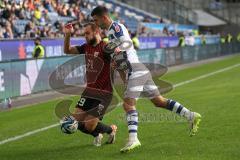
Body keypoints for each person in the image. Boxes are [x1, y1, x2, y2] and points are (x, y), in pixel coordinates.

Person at [91, 6, 201, 153]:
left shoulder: (116, 27)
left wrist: (115, 48)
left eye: (96, 20)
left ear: (104, 17)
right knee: (159, 101)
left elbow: (125, 43)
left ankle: (133, 139)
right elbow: (120, 58)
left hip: (135, 69)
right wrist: (122, 75)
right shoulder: (110, 32)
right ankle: (191, 115)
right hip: (137, 70)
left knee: (128, 105)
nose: (95, 23)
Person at [63, 22, 117, 147]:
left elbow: (119, 59)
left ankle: (110, 130)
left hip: (104, 95)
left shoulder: (106, 47)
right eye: (84, 34)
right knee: (74, 122)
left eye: (87, 33)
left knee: (89, 125)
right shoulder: (85, 47)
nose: (85, 36)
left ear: (96, 32)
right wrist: (67, 35)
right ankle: (98, 134)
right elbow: (67, 50)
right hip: (89, 91)